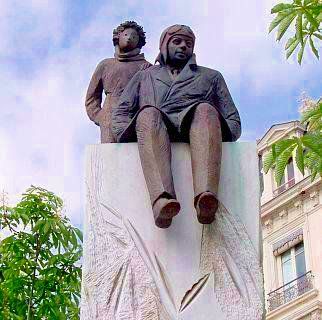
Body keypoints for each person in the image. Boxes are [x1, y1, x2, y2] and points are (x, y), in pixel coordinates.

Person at [111, 25, 241, 228]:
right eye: (177, 42)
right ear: (164, 45)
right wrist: (125, 135)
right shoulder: (145, 76)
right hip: (156, 129)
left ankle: (205, 198)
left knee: (206, 110)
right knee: (147, 114)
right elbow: (121, 113)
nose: (183, 47)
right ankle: (162, 200)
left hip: (198, 127)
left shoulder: (211, 76)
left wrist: (215, 129)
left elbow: (233, 120)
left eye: (188, 44)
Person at [85, 21, 151, 143]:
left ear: (139, 41)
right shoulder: (106, 64)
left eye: (134, 36)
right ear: (118, 37)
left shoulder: (146, 66)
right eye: (126, 35)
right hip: (109, 114)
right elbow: (92, 97)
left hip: (135, 115)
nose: (130, 38)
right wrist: (99, 117)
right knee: (109, 155)